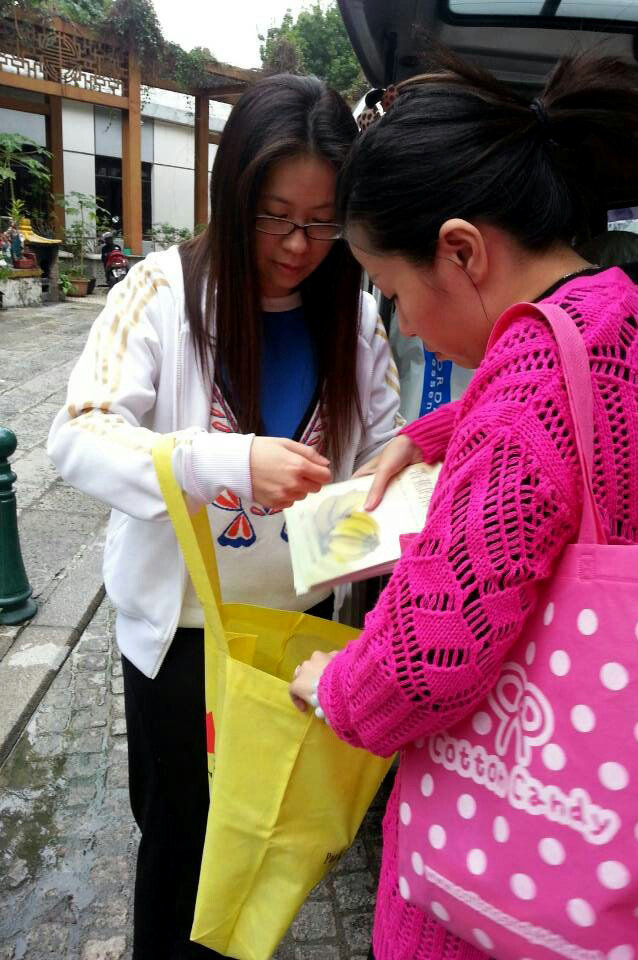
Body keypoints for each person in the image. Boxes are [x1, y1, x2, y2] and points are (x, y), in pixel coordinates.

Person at [290, 54, 638, 960]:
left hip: (492, 905)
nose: (405, 324)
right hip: (633, 849)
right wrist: (435, 432)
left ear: (461, 251)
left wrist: (333, 687)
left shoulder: (528, 383)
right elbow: (583, 411)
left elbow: (425, 662)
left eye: (394, 292)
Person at [47, 73, 402, 959]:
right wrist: (226, 461)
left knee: (266, 845)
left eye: (322, 221)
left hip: (295, 641)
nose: (299, 245)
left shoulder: (356, 321)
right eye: (274, 216)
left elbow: (385, 458)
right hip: (180, 645)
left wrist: (369, 508)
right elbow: (78, 436)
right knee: (179, 848)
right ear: (231, 193)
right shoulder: (161, 294)